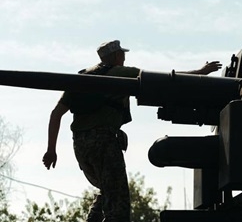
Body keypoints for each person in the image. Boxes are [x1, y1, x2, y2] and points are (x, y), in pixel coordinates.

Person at [42, 40, 221, 221]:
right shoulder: (119, 73)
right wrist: (200, 72)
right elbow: (161, 80)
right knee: (119, 208)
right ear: (115, 56)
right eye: (122, 54)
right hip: (103, 142)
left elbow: (56, 114)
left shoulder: (81, 78)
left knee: (109, 190)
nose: (124, 57)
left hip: (81, 146)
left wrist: (51, 150)